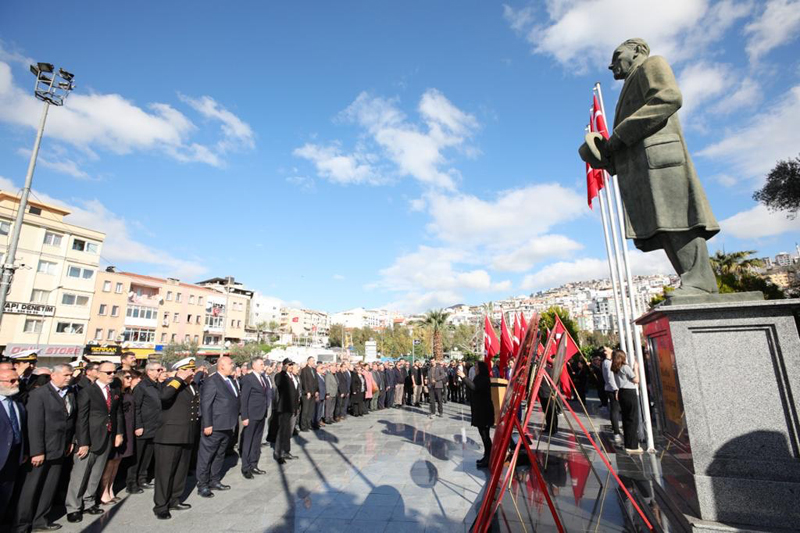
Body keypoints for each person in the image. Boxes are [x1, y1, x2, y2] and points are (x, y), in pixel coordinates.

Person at [13, 363, 75, 533]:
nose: (69, 378)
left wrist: (69, 442)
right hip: (41, 450)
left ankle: (41, 520)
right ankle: (22, 524)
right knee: (30, 489)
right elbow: (34, 424)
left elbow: (69, 420)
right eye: (66, 375)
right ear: (53, 376)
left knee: (49, 488)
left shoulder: (69, 393)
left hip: (59, 448)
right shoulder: (39, 394)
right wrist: (37, 451)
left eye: (71, 375)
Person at [65, 361, 124, 523]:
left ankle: (89, 501)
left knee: (96, 473)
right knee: (80, 475)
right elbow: (81, 418)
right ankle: (74, 507)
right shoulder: (87, 391)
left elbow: (117, 413)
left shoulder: (114, 390)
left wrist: (119, 433)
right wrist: (83, 442)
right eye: (108, 372)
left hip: (107, 437)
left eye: (114, 372)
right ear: (98, 373)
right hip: (89, 439)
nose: (112, 375)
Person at [152, 357, 199, 520]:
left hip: (186, 435)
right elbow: (165, 397)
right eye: (189, 370)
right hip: (169, 437)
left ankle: (174, 499)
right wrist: (178, 378)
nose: (192, 373)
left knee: (180, 471)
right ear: (180, 370)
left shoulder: (191, 385)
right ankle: (161, 506)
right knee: (165, 473)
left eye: (193, 370)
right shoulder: (171, 383)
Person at [197, 356, 239, 498]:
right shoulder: (212, 381)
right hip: (214, 425)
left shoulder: (230, 380)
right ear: (221, 366)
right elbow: (206, 404)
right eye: (230, 363)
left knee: (220, 454)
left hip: (227, 425)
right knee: (207, 455)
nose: (232, 366)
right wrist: (207, 423)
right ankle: (202, 484)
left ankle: (214, 480)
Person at [99, 369, 139, 505]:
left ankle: (110, 489)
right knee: (110, 462)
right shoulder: (116, 394)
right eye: (127, 377)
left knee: (117, 462)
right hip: (118, 430)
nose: (130, 379)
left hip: (127, 429)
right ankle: (104, 492)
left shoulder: (128, 393)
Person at [128, 362, 163, 493]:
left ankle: (142, 478)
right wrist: (138, 425)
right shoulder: (142, 386)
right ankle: (132, 482)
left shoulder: (158, 385)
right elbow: (136, 407)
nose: (160, 371)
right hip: (143, 426)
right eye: (157, 369)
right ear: (149, 372)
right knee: (137, 456)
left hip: (155, 426)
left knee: (148, 455)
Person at [0, 367, 25, 524]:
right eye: (12, 381)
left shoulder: (17, 402)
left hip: (12, 459)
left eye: (18, 380)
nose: (16, 383)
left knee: (4, 500)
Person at [239, 357, 271, 479]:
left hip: (261, 414)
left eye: (263, 364)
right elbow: (244, 398)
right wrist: (245, 416)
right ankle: (246, 467)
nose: (263, 366)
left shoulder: (262, 378)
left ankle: (254, 464)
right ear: (254, 366)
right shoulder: (248, 378)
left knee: (256, 441)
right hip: (251, 415)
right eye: (261, 364)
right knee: (248, 441)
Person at [458, 361, 494, 467]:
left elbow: (474, 387)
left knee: (485, 435)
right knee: (483, 434)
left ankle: (488, 456)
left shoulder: (483, 378)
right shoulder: (479, 377)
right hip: (480, 410)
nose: (475, 368)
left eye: (477, 367)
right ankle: (487, 455)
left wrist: (464, 377)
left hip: (484, 411)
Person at [611, 350, 642, 454]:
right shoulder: (625, 367)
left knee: (626, 418)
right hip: (629, 393)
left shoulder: (615, 368)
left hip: (622, 392)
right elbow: (636, 380)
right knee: (633, 418)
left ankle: (628, 443)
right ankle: (633, 446)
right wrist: (636, 369)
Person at [274, 359, 300, 464]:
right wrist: (283, 370)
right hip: (283, 408)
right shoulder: (280, 376)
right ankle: (278, 453)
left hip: (291, 408)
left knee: (288, 431)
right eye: (288, 365)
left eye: (291, 365)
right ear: (284, 366)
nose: (290, 367)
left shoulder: (292, 376)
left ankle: (286, 451)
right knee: (282, 431)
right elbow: (279, 383)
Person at [602, 347, 623, 445]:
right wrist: (616, 389)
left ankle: (617, 429)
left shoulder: (607, 362)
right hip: (613, 389)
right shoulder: (608, 362)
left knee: (615, 410)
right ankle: (616, 432)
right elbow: (610, 378)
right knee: (615, 411)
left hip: (611, 388)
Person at [299, 358, 318, 432]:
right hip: (307, 394)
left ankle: (308, 424)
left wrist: (317, 390)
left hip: (313, 392)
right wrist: (307, 392)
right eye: (312, 361)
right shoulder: (304, 370)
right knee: (305, 410)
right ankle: (303, 426)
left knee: (311, 410)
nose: (314, 362)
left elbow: (316, 381)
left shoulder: (313, 370)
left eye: (314, 361)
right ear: (308, 362)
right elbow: (304, 382)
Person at [314, 363, 327, 428]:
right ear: (317, 369)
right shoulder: (316, 376)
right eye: (321, 368)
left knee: (320, 410)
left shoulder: (322, 376)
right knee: (317, 409)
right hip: (319, 395)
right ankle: (316, 422)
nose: (322, 370)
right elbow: (316, 385)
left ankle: (319, 420)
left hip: (322, 395)